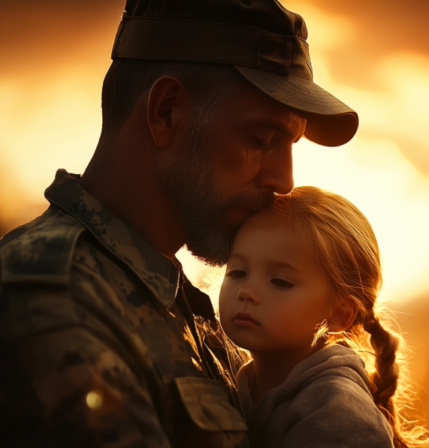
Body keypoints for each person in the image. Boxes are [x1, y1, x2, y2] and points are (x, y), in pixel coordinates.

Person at [0, 0, 358, 446]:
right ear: (166, 111)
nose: (284, 179)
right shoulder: (50, 296)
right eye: (261, 139)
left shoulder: (180, 300)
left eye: (290, 145)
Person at [218, 186, 429, 448]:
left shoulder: (338, 412)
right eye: (237, 272)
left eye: (280, 281)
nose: (247, 291)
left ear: (339, 315)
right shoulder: (234, 378)